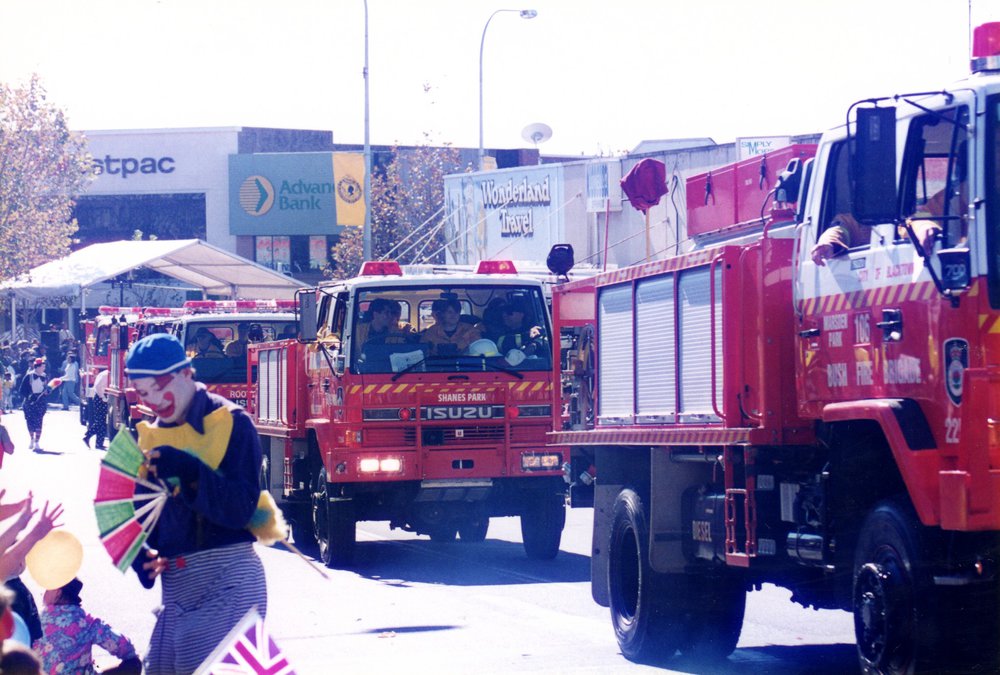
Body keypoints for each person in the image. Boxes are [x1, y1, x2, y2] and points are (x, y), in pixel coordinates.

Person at [123, 333, 280, 674]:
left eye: (158, 387)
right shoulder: (147, 435)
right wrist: (140, 555)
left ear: (186, 374)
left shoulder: (233, 422)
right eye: (142, 393)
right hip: (176, 587)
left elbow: (240, 508)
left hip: (231, 577)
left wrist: (192, 472)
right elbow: (138, 515)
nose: (153, 401)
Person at [33, 577, 140, 675]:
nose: (43, 593)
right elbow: (124, 646)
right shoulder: (85, 622)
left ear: (57, 592)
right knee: (134, 664)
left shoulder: (37, 620)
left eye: (47, 589)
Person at [18, 359, 53, 452]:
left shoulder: (45, 376)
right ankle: (31, 439)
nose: (44, 368)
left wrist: (47, 391)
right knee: (30, 421)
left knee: (39, 421)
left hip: (40, 401)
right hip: (30, 402)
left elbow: (47, 388)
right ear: (37, 367)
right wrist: (29, 396)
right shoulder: (29, 376)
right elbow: (21, 390)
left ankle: (37, 442)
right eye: (43, 366)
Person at [83, 368, 109, 450]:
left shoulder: (106, 374)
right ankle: (88, 435)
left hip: (103, 398)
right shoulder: (105, 375)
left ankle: (99, 443)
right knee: (100, 421)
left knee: (102, 422)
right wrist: (103, 397)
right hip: (99, 398)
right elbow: (97, 387)